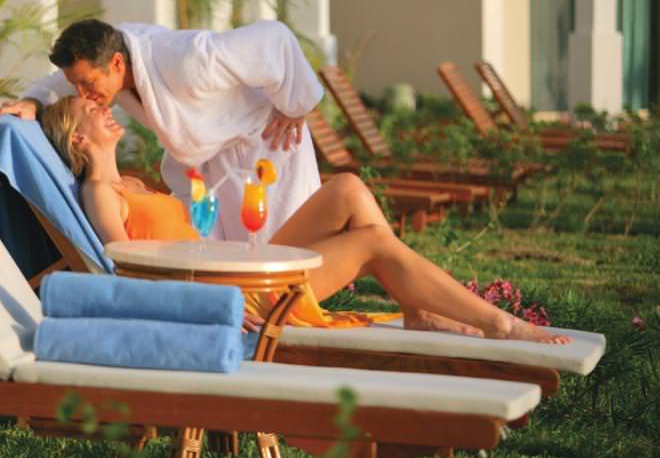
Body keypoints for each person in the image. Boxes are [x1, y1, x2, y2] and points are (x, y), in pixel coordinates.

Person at [39, 94, 571, 344]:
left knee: (347, 188)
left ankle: (418, 310)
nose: (106, 108)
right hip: (239, 295)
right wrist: (206, 308)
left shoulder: (132, 184)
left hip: (239, 270)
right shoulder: (100, 193)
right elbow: (125, 271)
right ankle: (500, 324)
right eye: (92, 110)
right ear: (78, 138)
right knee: (373, 243)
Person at [0, 18, 323, 244]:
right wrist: (31, 102)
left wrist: (295, 104)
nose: (82, 93)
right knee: (239, 252)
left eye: (87, 83)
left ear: (117, 63)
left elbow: (274, 37)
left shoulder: (190, 60)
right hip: (215, 161)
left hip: (268, 140)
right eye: (76, 84)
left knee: (281, 245)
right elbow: (59, 82)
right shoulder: (108, 58)